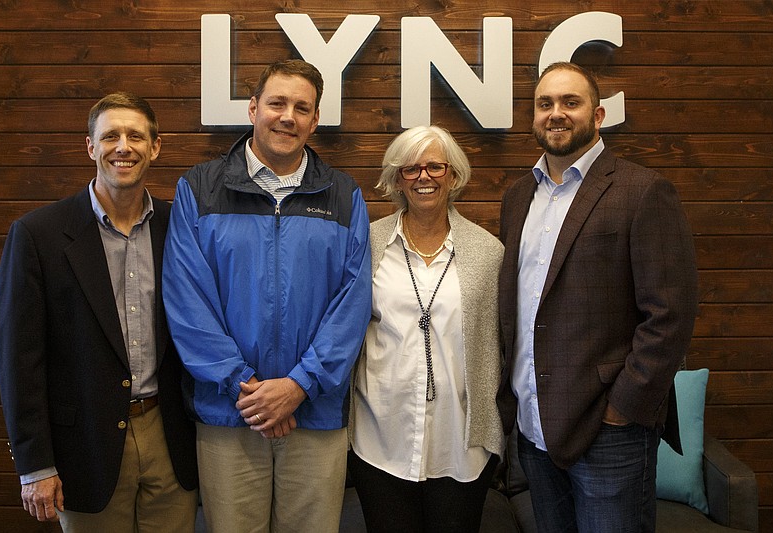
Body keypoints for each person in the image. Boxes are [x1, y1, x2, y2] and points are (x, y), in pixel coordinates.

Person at [162, 59, 371, 533]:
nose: (288, 117)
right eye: (277, 103)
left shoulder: (342, 195)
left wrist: (298, 386)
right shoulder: (199, 188)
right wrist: (247, 387)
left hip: (314, 414)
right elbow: (187, 300)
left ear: (315, 120)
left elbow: (352, 303)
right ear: (253, 108)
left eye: (302, 108)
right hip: (230, 412)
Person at [497, 61, 698, 532]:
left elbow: (670, 314)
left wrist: (622, 408)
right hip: (533, 425)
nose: (556, 114)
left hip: (608, 431)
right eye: (545, 104)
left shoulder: (642, 191)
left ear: (599, 114)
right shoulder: (518, 196)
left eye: (571, 102)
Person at [0, 92, 199, 532]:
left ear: (155, 147)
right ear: (91, 147)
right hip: (83, 445)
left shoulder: (180, 226)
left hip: (170, 437)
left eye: (135, 136)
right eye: (110, 136)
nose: (123, 146)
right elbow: (19, 361)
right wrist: (35, 465)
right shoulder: (37, 235)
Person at [348, 125, 505, 533]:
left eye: (435, 166)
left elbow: (500, 345)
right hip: (379, 438)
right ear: (397, 178)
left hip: (461, 445)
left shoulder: (488, 252)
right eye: (411, 168)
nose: (424, 177)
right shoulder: (367, 242)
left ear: (453, 175)